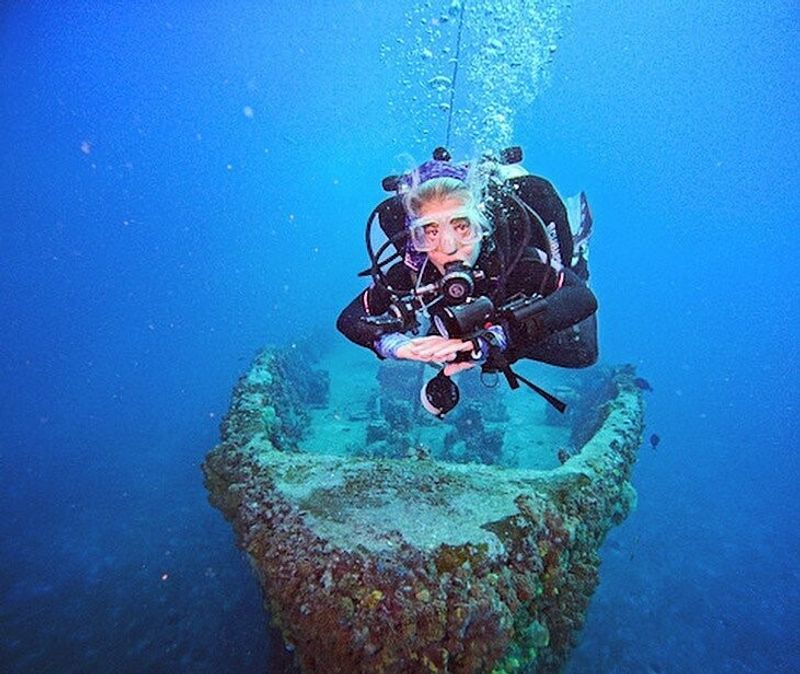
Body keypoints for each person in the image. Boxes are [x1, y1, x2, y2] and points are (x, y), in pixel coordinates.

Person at [337, 147, 598, 417]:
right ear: (416, 239)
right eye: (431, 231)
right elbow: (349, 318)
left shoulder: (516, 257)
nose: (448, 247)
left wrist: (501, 337)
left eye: (461, 226)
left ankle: (578, 251)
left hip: (515, 304)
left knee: (582, 353)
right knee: (446, 330)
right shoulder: (415, 269)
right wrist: (393, 344)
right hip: (478, 321)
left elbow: (582, 298)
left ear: (481, 226)